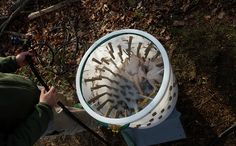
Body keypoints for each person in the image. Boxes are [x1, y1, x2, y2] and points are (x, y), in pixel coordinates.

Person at [0, 51, 58, 146]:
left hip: (35, 92)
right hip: (39, 118)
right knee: (81, 119)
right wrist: (44, 109)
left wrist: (13, 61)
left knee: (62, 100)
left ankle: (78, 106)